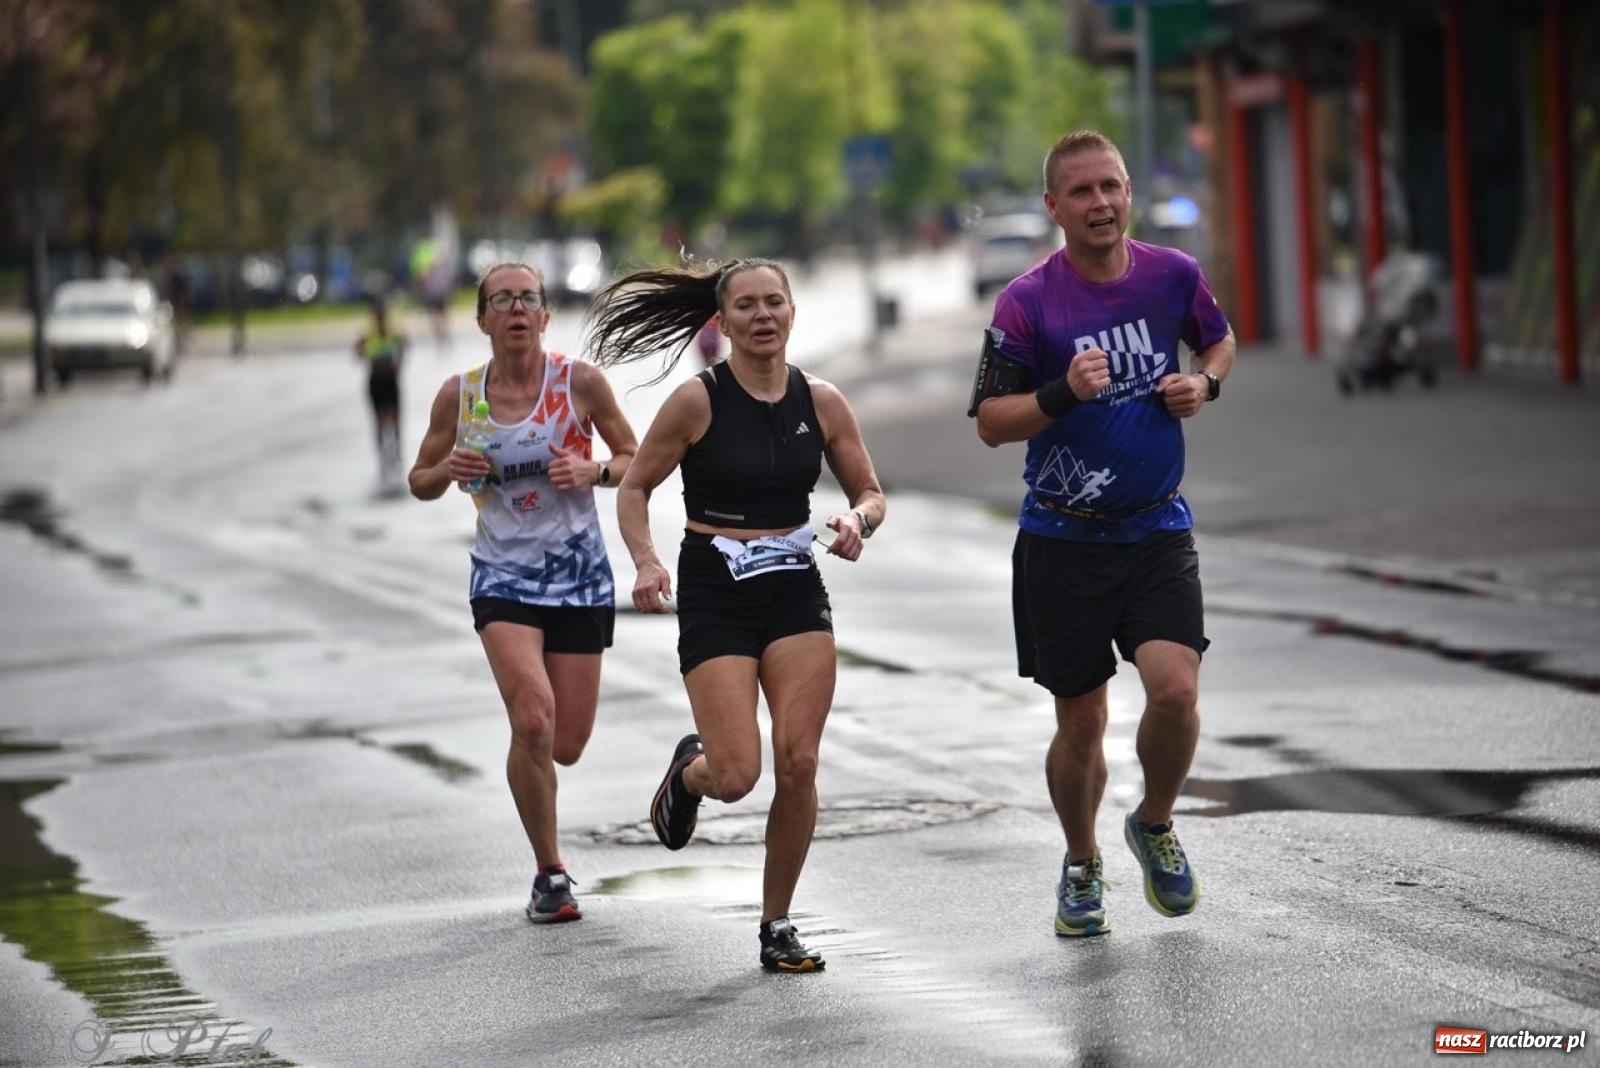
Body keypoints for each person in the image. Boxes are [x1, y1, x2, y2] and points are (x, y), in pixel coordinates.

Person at [968, 130, 1236, 938]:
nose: (1101, 203)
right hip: (1062, 537)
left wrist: (1205, 383)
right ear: (1054, 206)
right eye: (1081, 192)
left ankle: (1152, 821)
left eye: (1111, 187)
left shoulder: (1173, 275)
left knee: (1177, 690)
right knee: (1081, 722)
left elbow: (1217, 340)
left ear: (1130, 193)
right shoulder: (1026, 302)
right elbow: (988, 423)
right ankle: (1081, 860)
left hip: (1155, 525)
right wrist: (1059, 394)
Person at [587, 258, 885, 973]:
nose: (762, 315)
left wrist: (856, 522)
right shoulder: (698, 401)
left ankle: (776, 923)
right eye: (746, 305)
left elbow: (871, 492)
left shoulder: (824, 401)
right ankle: (689, 774)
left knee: (801, 760)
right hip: (715, 588)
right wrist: (648, 563)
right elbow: (634, 488)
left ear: (791, 312)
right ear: (723, 321)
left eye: (774, 302)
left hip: (793, 587)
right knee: (737, 774)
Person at [408, 262, 639, 924]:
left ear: (545, 316)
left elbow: (634, 458)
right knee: (532, 718)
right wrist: (444, 469)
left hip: (577, 573)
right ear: (481, 319)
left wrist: (592, 469)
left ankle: (536, 783)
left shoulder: (580, 384)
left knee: (565, 742)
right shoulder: (460, 396)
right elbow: (419, 479)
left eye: (527, 298)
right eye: (501, 299)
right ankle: (551, 872)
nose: (515, 308)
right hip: (502, 574)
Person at [354, 298, 408, 489]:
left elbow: (404, 345)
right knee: (379, 421)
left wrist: (398, 364)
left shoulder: (393, 332)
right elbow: (358, 353)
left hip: (390, 380)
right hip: (376, 381)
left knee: (396, 420)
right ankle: (383, 457)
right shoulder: (368, 335)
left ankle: (397, 454)